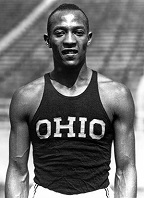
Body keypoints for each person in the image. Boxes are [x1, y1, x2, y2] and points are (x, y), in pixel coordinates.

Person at [5, 3, 137, 198]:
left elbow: (125, 169)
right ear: (48, 40)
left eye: (78, 32)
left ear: (88, 38)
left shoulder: (116, 95)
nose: (69, 40)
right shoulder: (26, 97)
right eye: (60, 33)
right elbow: (17, 170)